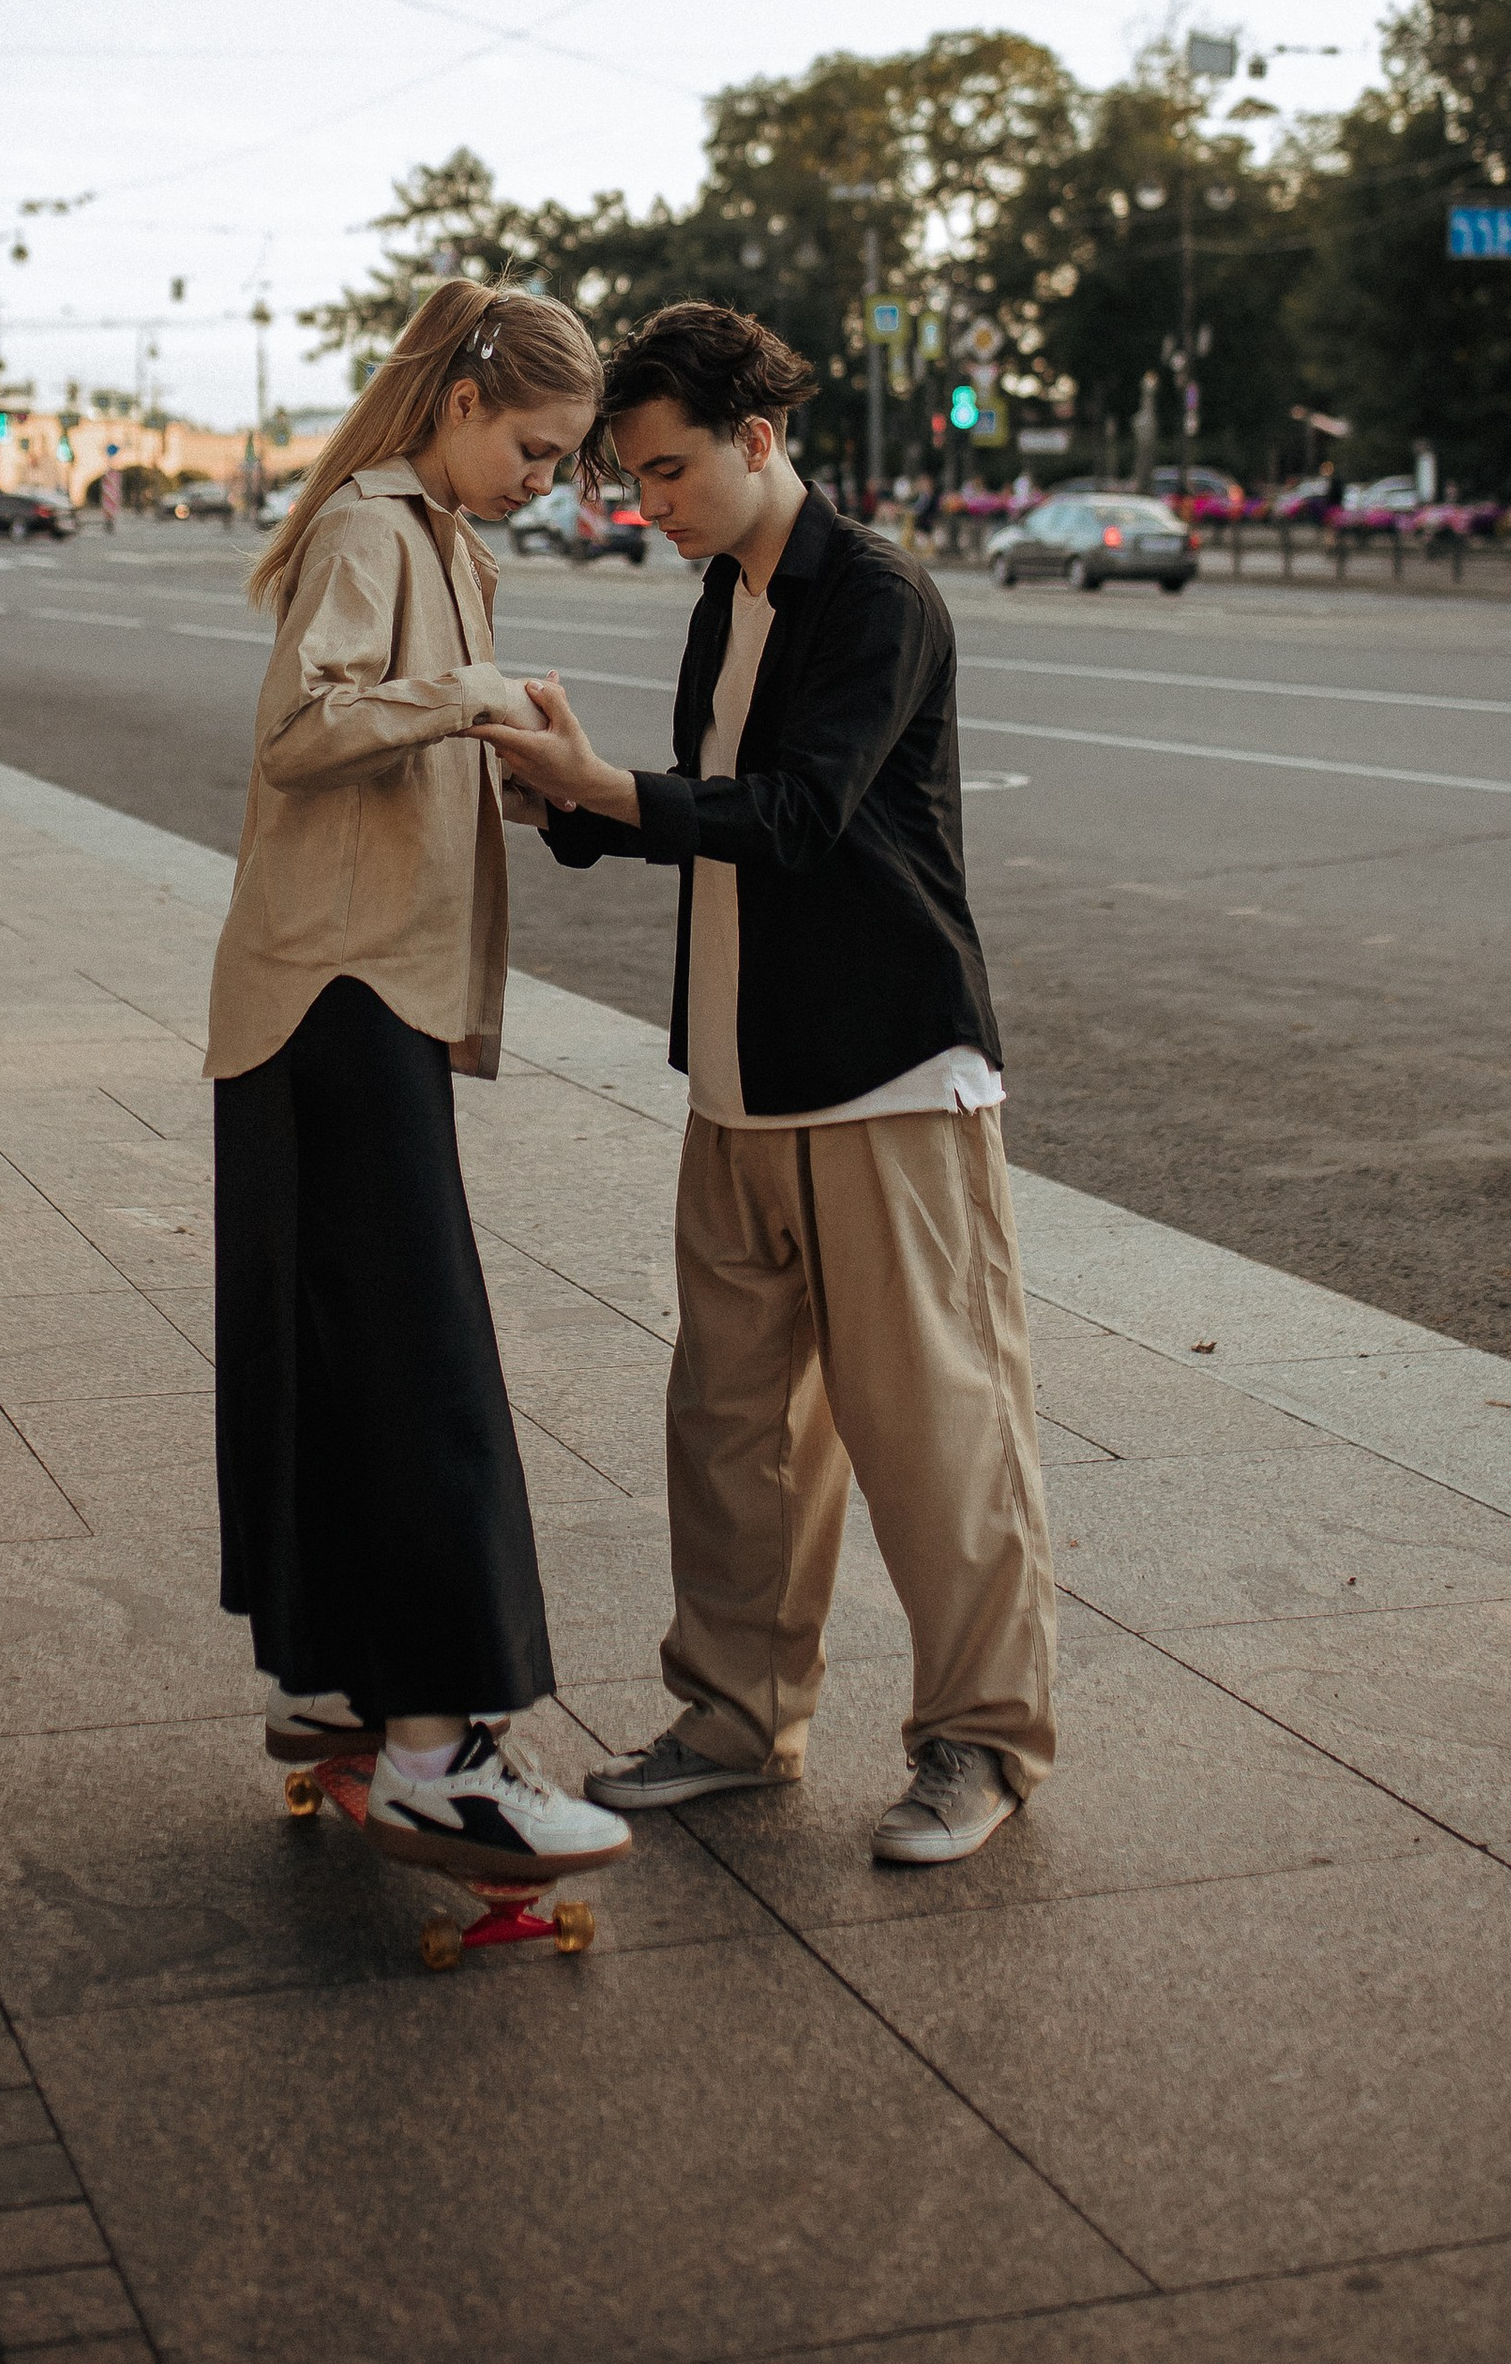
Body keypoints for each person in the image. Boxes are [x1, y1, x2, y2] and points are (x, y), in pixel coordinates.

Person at [478, 301, 1056, 1868]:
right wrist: (569, 806)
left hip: (883, 1078)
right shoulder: (723, 595)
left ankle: (980, 1746)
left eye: (666, 472)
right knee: (730, 1433)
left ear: (757, 436)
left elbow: (796, 816)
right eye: (627, 480)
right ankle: (737, 1721)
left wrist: (619, 792)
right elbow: (716, 819)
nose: (643, 504)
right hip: (738, 1080)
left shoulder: (875, 595)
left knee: (933, 1430)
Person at [205, 279, 632, 1895]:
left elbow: (388, 762)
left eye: (566, 459)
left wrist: (518, 776)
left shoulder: (445, 541)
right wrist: (471, 699)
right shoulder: (376, 532)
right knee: (419, 1362)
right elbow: (304, 730)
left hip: (351, 988)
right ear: (460, 403)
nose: (547, 479)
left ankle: (332, 1682)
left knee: (341, 1344)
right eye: (535, 446)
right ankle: (440, 1758)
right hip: (337, 992)